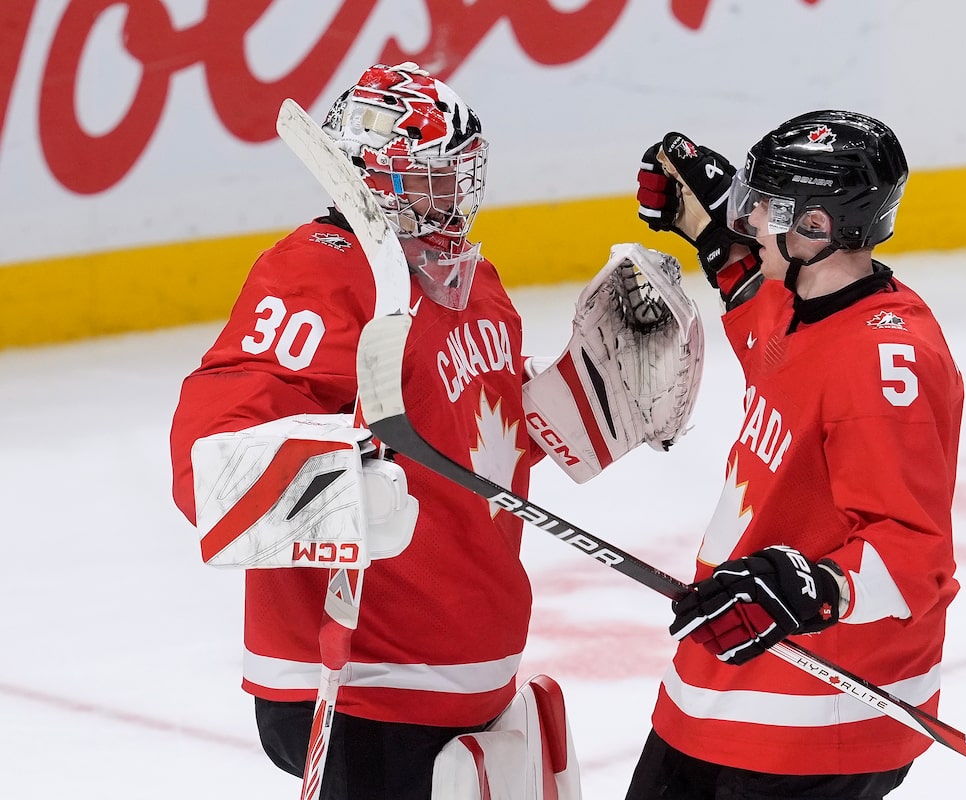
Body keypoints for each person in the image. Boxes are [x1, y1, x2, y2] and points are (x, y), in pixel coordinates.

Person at [169, 63, 702, 800]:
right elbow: (211, 463)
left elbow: (468, 434)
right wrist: (337, 490)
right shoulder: (317, 277)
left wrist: (589, 400)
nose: (454, 195)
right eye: (431, 177)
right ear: (371, 176)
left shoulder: (466, 277)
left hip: (466, 659)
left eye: (457, 173)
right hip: (366, 679)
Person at [627, 111, 964, 799]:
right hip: (732, 671)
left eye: (764, 207)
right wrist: (715, 237)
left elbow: (913, 554)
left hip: (824, 708)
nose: (745, 218)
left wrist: (814, 585)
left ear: (816, 228)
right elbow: (768, 333)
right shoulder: (801, 302)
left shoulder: (882, 364)